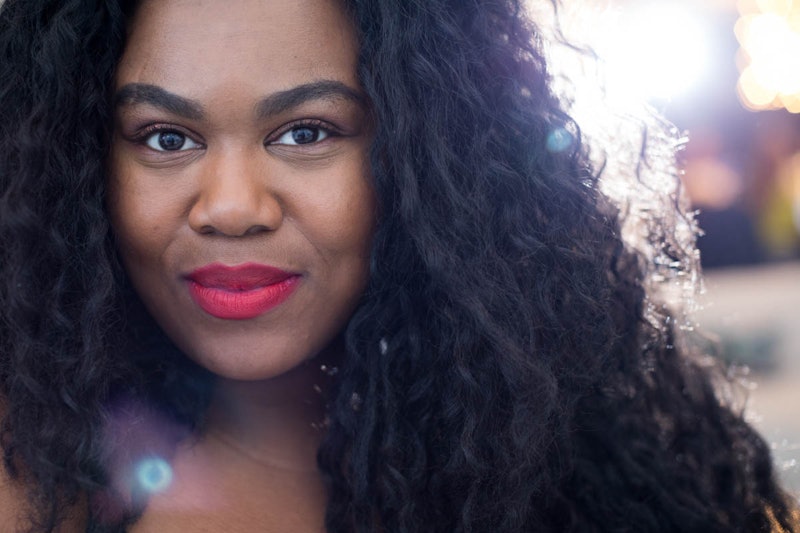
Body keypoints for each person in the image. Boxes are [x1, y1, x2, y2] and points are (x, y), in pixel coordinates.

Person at [0, 0, 796, 531]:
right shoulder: (33, 485)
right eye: (166, 138)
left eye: (307, 131)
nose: (232, 205)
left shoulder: (587, 467)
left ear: (430, 160)